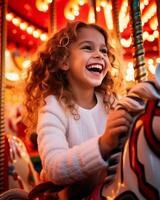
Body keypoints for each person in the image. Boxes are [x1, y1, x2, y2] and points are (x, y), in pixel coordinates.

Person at [24, 21, 132, 199]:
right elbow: (54, 167)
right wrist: (103, 145)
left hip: (113, 187)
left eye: (103, 50)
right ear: (64, 61)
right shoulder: (52, 107)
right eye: (88, 48)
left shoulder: (112, 102)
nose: (99, 55)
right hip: (72, 193)